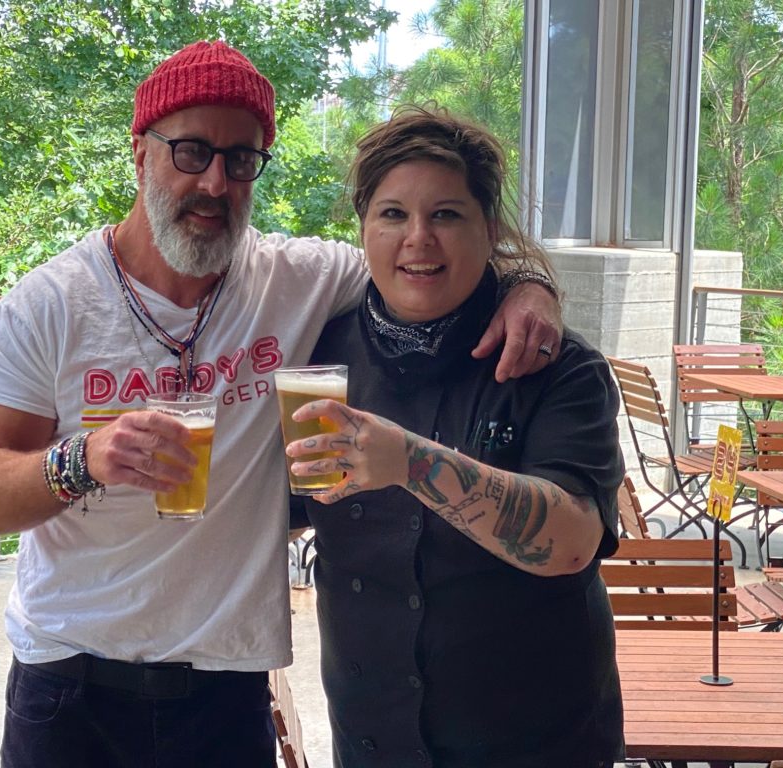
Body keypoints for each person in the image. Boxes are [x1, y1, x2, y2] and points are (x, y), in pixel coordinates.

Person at [0, 41, 563, 768]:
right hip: (71, 685)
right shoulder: (49, 305)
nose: (215, 182)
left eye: (240, 160)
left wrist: (528, 285)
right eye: (192, 152)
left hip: (226, 690)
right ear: (140, 154)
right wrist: (87, 458)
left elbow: (419, 253)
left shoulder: (295, 278)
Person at [285, 106, 625, 768]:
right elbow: (285, 507)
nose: (419, 238)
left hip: (541, 745)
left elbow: (573, 541)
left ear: (490, 229)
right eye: (392, 214)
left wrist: (411, 462)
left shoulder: (557, 365)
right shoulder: (318, 357)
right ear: (363, 226)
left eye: (446, 214)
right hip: (374, 743)